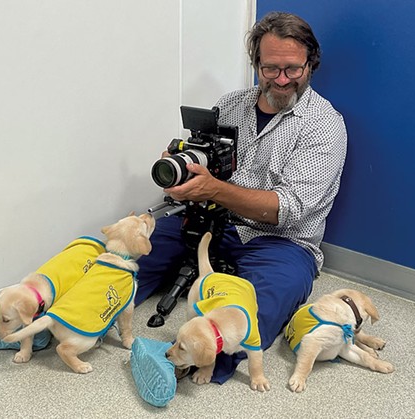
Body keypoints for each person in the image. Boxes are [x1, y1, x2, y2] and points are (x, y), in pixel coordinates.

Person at [135, 11, 348, 384]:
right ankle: (53, 315)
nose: (282, 80)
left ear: (310, 64)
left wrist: (214, 188)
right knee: (128, 250)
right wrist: (182, 169)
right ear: (255, 65)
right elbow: (206, 159)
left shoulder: (325, 124)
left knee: (255, 310)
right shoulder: (230, 104)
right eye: (270, 69)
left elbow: (288, 208)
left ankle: (179, 364)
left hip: (282, 243)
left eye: (292, 69)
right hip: (211, 219)